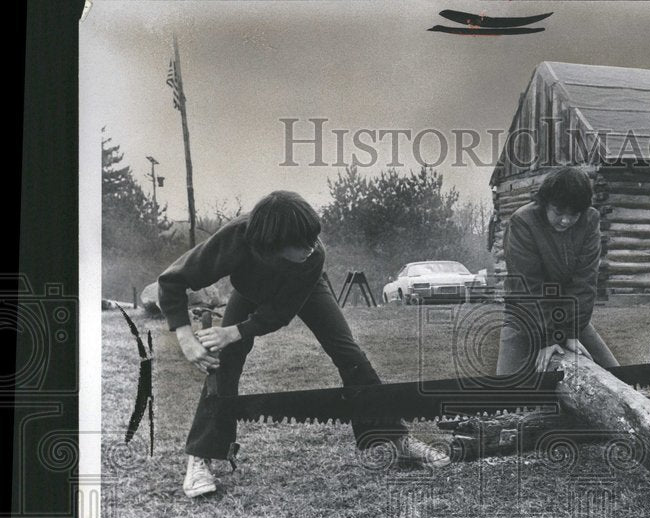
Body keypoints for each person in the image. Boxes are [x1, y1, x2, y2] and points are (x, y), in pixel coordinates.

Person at [159, 190, 448, 499]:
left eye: (314, 240)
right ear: (272, 243)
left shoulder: (313, 257)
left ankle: (395, 438)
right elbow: (172, 280)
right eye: (303, 243)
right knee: (227, 360)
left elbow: (279, 313)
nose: (313, 248)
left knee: (348, 352)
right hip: (249, 289)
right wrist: (186, 338)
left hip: (305, 288)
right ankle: (201, 456)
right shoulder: (236, 237)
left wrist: (235, 331)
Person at [499, 165, 619, 376]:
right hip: (525, 316)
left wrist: (571, 331)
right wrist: (547, 339)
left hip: (568, 313)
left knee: (621, 380)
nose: (566, 220)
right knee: (505, 397)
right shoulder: (522, 222)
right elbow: (528, 287)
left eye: (574, 214)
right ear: (545, 203)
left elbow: (585, 281)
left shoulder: (590, 220)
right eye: (559, 211)